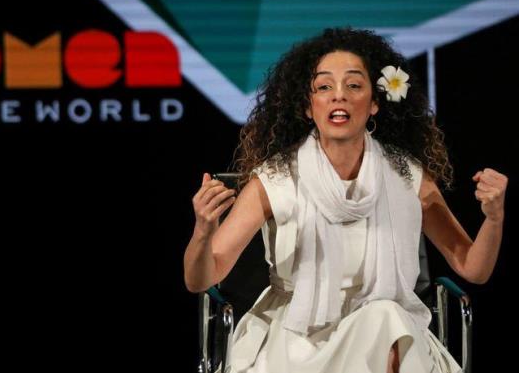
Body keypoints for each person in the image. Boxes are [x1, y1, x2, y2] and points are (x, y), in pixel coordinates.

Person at [183, 27, 508, 373]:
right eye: (324, 87)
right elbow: (199, 280)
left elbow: (473, 268)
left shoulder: (407, 177)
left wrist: (494, 218)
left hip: (389, 332)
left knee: (383, 317)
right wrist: (204, 231)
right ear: (308, 107)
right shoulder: (275, 180)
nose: (339, 96)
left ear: (374, 103)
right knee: (385, 321)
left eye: (353, 85)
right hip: (297, 337)